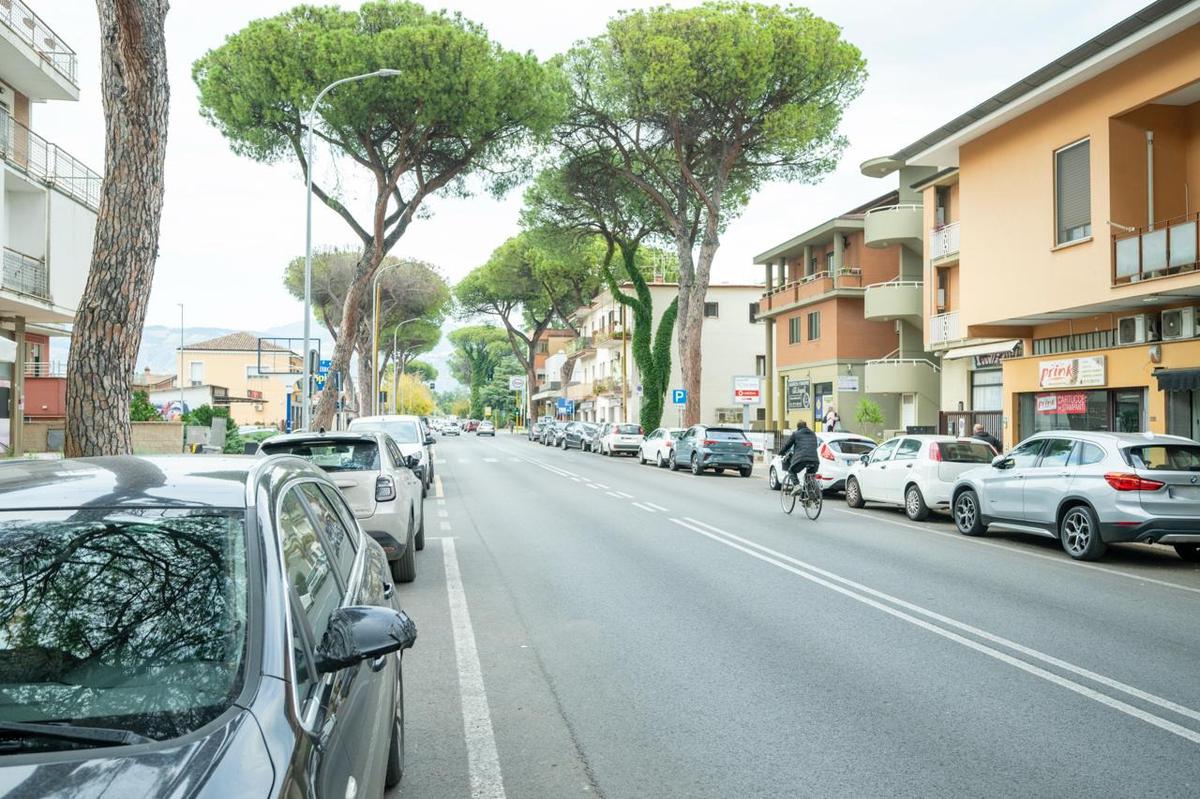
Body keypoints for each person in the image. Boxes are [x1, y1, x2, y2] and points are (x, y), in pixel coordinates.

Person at [778, 420, 820, 494]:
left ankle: (796, 486)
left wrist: (781, 452)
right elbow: (814, 445)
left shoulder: (796, 434)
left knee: (791, 470)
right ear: (806, 426)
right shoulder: (813, 434)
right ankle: (810, 494)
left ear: (798, 427)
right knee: (809, 475)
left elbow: (787, 445)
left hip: (802, 459)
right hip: (814, 460)